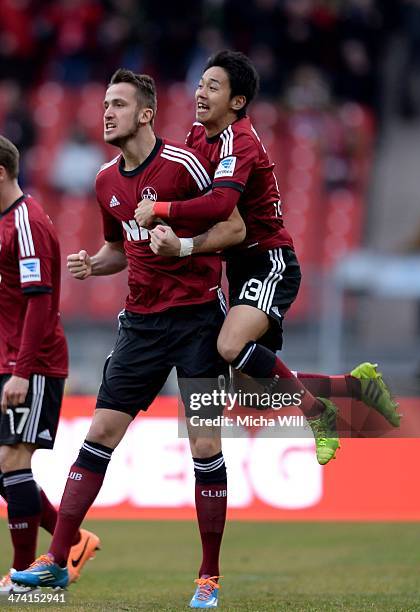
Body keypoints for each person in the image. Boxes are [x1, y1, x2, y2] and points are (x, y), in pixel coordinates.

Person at [12, 69, 245, 609]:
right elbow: (120, 247)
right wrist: (93, 265)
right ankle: (57, 560)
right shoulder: (103, 181)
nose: (106, 114)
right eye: (103, 105)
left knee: (205, 445)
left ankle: (208, 576)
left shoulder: (183, 166)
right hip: (141, 324)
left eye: (118, 104)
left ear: (145, 113)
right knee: (99, 434)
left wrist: (183, 248)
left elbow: (232, 227)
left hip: (199, 324)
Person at [135, 50, 400, 459]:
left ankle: (318, 413)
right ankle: (354, 389)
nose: (200, 92)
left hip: (269, 260)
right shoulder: (195, 136)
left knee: (229, 346)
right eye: (201, 83)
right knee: (253, 394)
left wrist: (162, 209)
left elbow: (221, 204)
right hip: (239, 267)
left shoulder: (238, 140)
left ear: (237, 102)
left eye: (213, 86)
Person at [0, 135, 99, 594]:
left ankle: (24, 577)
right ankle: (74, 540)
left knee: (12, 459)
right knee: (2, 465)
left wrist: (22, 369)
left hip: (31, 362)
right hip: (7, 358)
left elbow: (40, 302)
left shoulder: (28, 222)